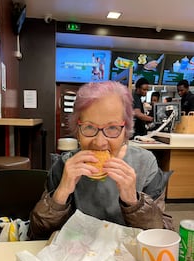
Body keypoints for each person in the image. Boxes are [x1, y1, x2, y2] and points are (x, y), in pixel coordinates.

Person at [28, 81, 173, 240]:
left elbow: (164, 233)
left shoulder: (145, 164)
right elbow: (37, 235)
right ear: (77, 130)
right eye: (89, 127)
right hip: (75, 259)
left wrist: (134, 203)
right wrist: (60, 196)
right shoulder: (63, 166)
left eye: (112, 128)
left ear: (125, 131)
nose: (99, 142)